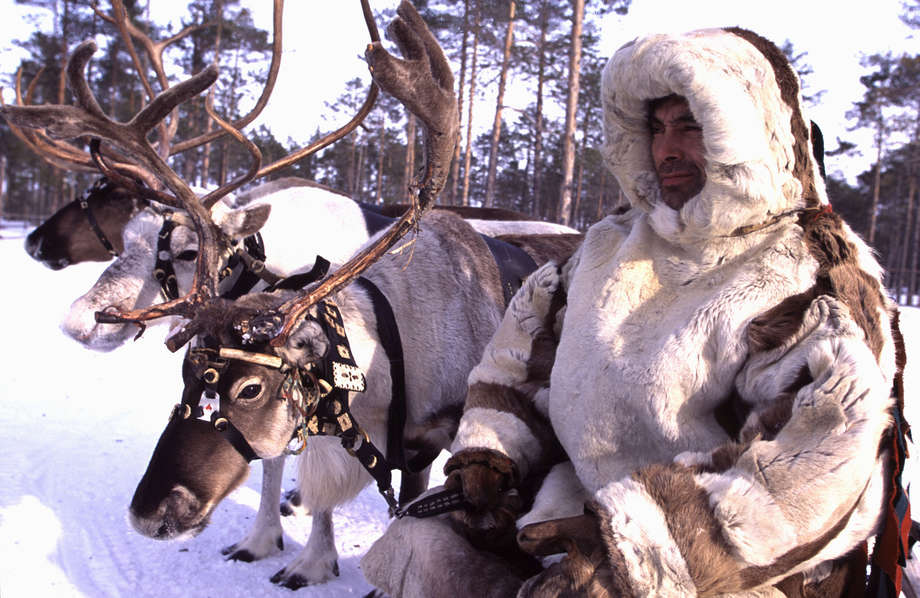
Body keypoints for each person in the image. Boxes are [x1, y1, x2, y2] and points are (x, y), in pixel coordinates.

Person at [362, 27, 909, 597]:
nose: (666, 149)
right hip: (571, 515)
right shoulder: (605, 250)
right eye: (656, 128)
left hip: (722, 567)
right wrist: (490, 457)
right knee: (421, 539)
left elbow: (816, 462)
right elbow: (518, 370)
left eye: (690, 126)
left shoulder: (802, 274)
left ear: (746, 131)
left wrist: (634, 551)